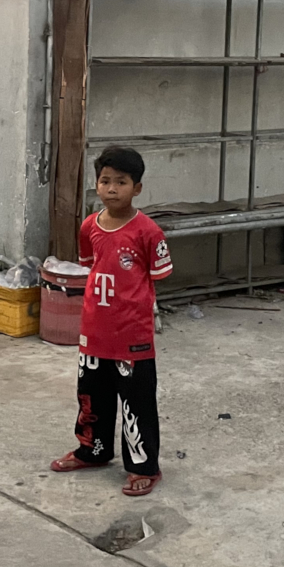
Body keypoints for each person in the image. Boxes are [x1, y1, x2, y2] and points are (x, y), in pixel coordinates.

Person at [49, 146, 172, 496]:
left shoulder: (148, 233)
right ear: (96, 184)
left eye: (121, 182)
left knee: (136, 403)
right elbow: (90, 265)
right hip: (94, 331)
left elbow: (158, 277)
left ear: (137, 188)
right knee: (91, 396)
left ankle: (143, 467)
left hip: (132, 336)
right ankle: (93, 451)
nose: (112, 189)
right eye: (105, 181)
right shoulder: (89, 226)